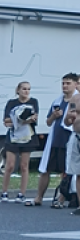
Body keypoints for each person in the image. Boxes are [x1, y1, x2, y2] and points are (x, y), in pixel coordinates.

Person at [34, 73, 77, 208]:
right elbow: (48, 122)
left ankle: (61, 199)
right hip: (55, 140)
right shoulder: (57, 101)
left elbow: (73, 120)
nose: (65, 86)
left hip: (69, 139)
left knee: (66, 170)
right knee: (46, 169)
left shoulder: (76, 100)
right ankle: (39, 197)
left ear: (75, 84)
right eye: (63, 83)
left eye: (68, 83)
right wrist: (53, 116)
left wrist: (69, 117)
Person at [0, 81, 39, 204]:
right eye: (24, 89)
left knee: (24, 165)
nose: (26, 91)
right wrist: (22, 120)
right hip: (13, 137)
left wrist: (20, 121)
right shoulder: (12, 103)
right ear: (18, 90)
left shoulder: (33, 102)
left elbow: (33, 119)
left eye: (28, 89)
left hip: (28, 137)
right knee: (10, 165)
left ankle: (22, 193)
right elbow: (7, 121)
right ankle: (4, 191)